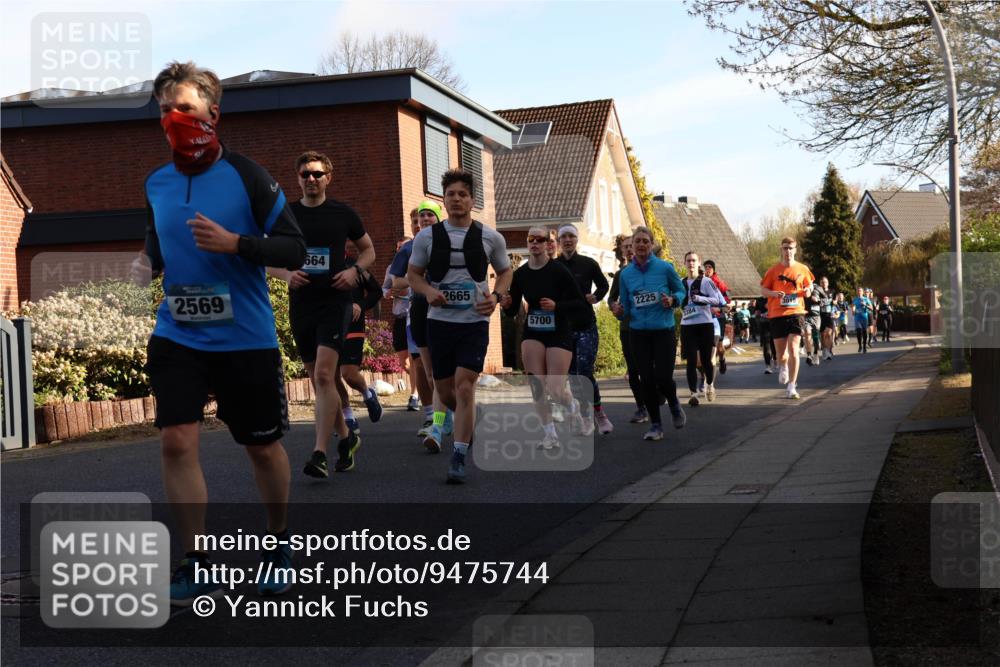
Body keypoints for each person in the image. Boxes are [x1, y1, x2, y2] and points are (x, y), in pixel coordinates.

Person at [137, 61, 306, 604]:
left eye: (184, 107)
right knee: (176, 439)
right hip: (179, 333)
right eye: (165, 109)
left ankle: (279, 544)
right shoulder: (156, 182)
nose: (174, 117)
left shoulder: (247, 175)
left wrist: (237, 244)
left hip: (245, 337)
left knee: (261, 448)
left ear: (213, 111)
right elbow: (158, 245)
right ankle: (196, 560)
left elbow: (293, 248)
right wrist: (146, 263)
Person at [266, 149, 375, 480]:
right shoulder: (285, 214)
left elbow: (368, 250)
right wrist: (286, 275)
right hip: (302, 304)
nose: (311, 179)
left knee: (326, 377)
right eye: (305, 174)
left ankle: (319, 453)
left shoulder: (343, 213)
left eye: (317, 174)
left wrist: (354, 271)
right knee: (319, 380)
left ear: (329, 177)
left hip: (335, 302)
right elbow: (265, 257)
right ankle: (347, 436)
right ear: (297, 178)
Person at [407, 170, 512, 483]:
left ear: (471, 200)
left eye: (462, 194)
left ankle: (459, 455)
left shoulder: (491, 237)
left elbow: (505, 273)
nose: (456, 199)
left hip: (474, 322)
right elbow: (413, 275)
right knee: (445, 390)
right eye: (450, 194)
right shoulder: (427, 237)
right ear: (445, 199)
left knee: (465, 384)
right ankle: (466, 419)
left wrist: (495, 297)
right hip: (439, 322)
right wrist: (428, 292)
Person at [500, 227, 590, 449]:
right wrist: (508, 305)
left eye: (541, 239)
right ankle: (550, 435)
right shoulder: (520, 274)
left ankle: (572, 406)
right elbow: (513, 312)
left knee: (555, 389)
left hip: (559, 332)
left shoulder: (558, 271)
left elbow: (580, 303)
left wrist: (556, 306)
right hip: (533, 331)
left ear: (549, 244)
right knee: (537, 386)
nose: (535, 243)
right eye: (531, 239)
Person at [610, 226, 687, 440]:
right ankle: (655, 425)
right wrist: (619, 311)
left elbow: (681, 290)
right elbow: (625, 304)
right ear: (632, 246)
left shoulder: (664, 268)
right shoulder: (626, 275)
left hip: (663, 330)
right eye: (638, 241)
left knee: (663, 377)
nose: (641, 245)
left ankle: (673, 404)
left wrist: (673, 300)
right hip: (638, 332)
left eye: (645, 241)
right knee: (646, 379)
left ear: (651, 245)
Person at [389, 201, 449, 446]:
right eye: (420, 216)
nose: (423, 220)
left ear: (438, 219)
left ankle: (444, 418)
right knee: (428, 372)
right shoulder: (409, 248)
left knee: (445, 371)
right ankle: (433, 417)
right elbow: (395, 283)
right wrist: (416, 279)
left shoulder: (449, 244)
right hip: (419, 311)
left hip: (447, 313)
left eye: (429, 215)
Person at [556, 225, 613, 434]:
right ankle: (586, 416)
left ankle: (599, 413)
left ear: (576, 240)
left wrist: (595, 297)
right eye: (564, 237)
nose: (568, 240)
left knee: (585, 371)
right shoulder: (554, 266)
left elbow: (604, 285)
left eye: (572, 236)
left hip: (585, 324)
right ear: (559, 240)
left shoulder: (588, 263)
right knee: (573, 377)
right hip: (563, 328)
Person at [334, 260, 384, 449]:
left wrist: (359, 304)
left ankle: (367, 393)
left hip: (353, 326)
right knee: (330, 376)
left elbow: (376, 291)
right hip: (327, 325)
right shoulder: (321, 263)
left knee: (348, 373)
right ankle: (348, 417)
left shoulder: (355, 267)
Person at [760, 237, 814, 400]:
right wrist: (774, 294)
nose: (788, 251)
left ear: (795, 250)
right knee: (781, 354)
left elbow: (810, 284)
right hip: (777, 314)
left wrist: (808, 291)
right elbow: (763, 289)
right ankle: (782, 364)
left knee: (794, 349)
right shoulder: (773, 271)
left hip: (797, 312)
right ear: (781, 250)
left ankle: (792, 386)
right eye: (785, 248)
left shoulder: (802, 268)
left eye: (791, 248)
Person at [680, 252, 726, 406]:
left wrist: (700, 299)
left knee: (706, 359)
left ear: (698, 262)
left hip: (705, 325)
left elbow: (718, 300)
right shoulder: (681, 282)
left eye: (694, 260)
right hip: (687, 326)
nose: (691, 263)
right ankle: (693, 393)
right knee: (691, 360)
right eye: (688, 261)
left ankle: (710, 385)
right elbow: (677, 301)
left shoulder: (706, 282)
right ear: (684, 263)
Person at [609, 234, 646, 422]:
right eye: (626, 247)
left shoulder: (650, 269)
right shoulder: (620, 274)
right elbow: (611, 297)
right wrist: (614, 306)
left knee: (648, 367)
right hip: (627, 327)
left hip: (649, 326)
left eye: (632, 245)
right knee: (633, 369)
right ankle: (641, 407)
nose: (630, 249)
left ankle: (655, 394)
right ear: (622, 251)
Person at [387, 229, 420, 411]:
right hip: (400, 317)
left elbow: (406, 290)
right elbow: (387, 288)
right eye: (398, 248)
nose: (400, 250)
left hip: (414, 316)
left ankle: (415, 395)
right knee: (405, 363)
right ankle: (421, 383)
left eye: (403, 247)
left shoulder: (419, 264)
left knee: (417, 359)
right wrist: (390, 291)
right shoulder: (392, 270)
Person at [702, 260, 731, 375]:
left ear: (713, 270)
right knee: (707, 346)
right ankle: (707, 371)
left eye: (709, 267)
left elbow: (728, 304)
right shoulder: (701, 282)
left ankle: (722, 359)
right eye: (706, 267)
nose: (707, 269)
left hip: (718, 317)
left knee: (719, 347)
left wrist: (718, 309)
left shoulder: (719, 283)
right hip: (704, 317)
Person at [803, 276, 829, 366]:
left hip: (816, 317)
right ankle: (809, 356)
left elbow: (827, 300)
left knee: (815, 337)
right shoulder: (802, 288)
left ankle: (816, 354)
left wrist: (818, 300)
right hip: (806, 315)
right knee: (807, 333)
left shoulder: (818, 288)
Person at [754, 294, 778, 373]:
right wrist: (760, 315)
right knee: (766, 345)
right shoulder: (760, 299)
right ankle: (768, 366)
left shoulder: (776, 296)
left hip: (775, 323)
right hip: (764, 324)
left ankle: (775, 359)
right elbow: (757, 312)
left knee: (774, 344)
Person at [852, 287, 873, 353]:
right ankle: (860, 345)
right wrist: (853, 311)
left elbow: (871, 308)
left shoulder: (866, 299)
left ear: (863, 292)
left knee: (864, 332)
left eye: (860, 291)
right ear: (857, 292)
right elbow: (853, 307)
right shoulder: (855, 299)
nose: (859, 292)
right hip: (857, 317)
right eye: (858, 291)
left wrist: (865, 305)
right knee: (858, 331)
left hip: (864, 317)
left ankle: (864, 347)